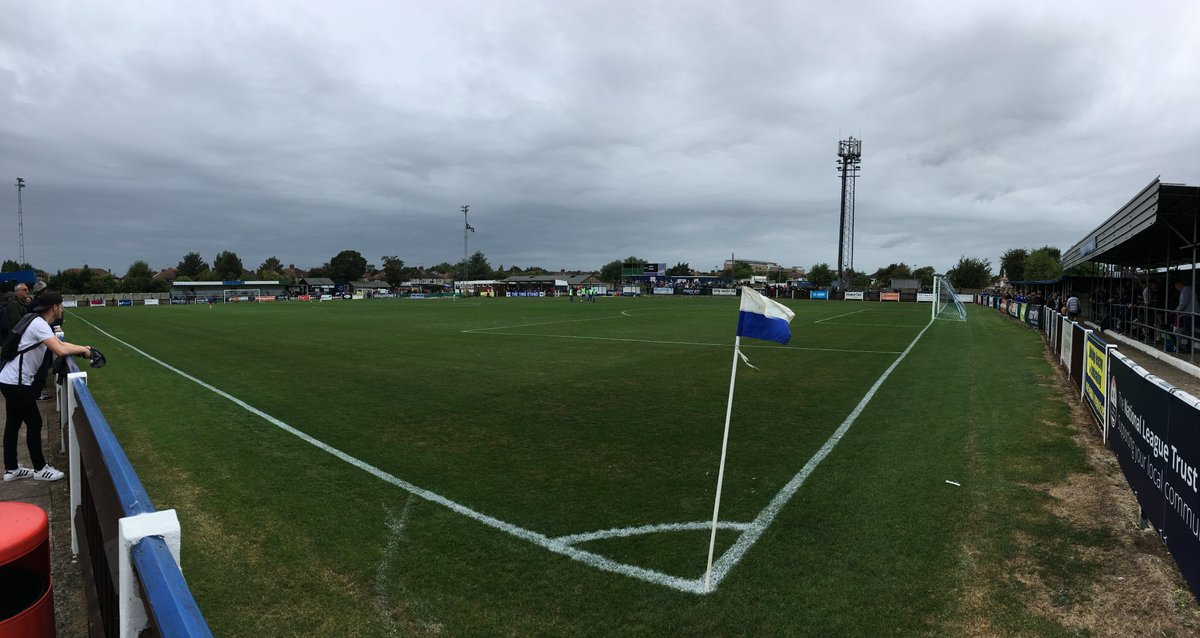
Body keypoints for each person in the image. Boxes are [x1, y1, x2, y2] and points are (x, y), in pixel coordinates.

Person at [2, 291, 94, 482]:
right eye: (61, 305)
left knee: (13, 423)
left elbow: (59, 343)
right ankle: (40, 468)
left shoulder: (37, 321)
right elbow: (59, 349)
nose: (62, 309)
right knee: (34, 423)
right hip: (17, 383)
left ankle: (11, 469)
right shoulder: (40, 324)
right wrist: (85, 351)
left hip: (9, 380)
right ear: (54, 307)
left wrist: (84, 349)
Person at [1174, 280, 1197, 354]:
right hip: (1194, 312)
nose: (1177, 289)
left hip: (1189, 313)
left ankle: (1189, 349)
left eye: (1177, 287)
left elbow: (1183, 303)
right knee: (1189, 331)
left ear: (1179, 285)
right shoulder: (1191, 289)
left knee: (1188, 331)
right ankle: (1189, 346)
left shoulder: (1185, 290)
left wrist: (1177, 310)